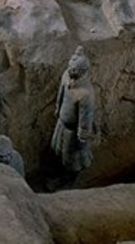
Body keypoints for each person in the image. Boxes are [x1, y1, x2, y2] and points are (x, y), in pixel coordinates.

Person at [51, 46, 95, 180]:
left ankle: (67, 181)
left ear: (83, 71)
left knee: (72, 160)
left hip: (72, 132)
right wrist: (58, 108)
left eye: (74, 69)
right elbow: (61, 93)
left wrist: (81, 140)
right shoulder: (66, 76)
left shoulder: (86, 94)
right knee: (56, 150)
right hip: (61, 124)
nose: (70, 70)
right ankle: (57, 175)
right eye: (70, 66)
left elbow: (85, 120)